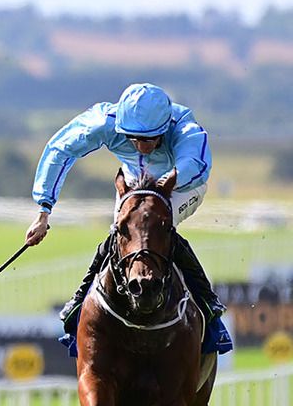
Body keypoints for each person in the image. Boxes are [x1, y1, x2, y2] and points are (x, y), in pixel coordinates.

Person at [24, 83, 228, 340]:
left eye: (149, 139)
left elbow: (196, 163)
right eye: (134, 139)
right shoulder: (105, 121)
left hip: (182, 186)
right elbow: (60, 148)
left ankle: (209, 307)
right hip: (133, 184)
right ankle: (80, 301)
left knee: (156, 227)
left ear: (165, 127)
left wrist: (170, 179)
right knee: (120, 233)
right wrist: (44, 211)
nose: (141, 146)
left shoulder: (184, 126)